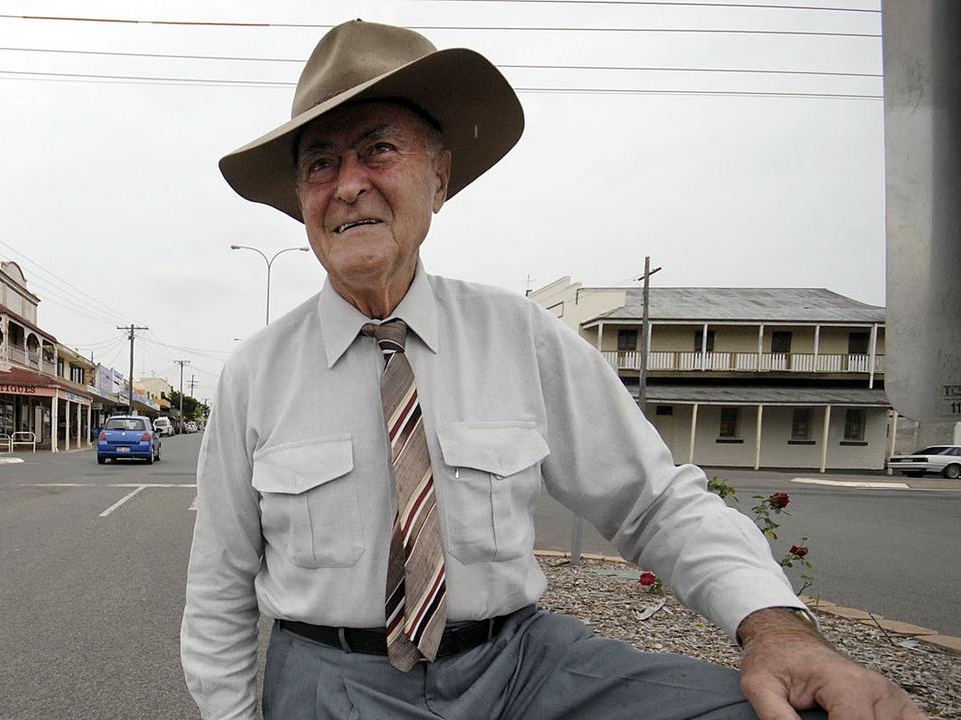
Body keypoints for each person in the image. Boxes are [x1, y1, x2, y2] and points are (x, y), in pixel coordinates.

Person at [182, 19, 922, 720]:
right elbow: (219, 589)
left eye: (378, 150)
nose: (347, 184)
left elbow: (654, 502)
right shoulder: (256, 374)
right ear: (304, 201)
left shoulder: (520, 336)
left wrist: (778, 630)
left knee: (795, 710)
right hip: (334, 680)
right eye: (321, 163)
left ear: (438, 177)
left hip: (521, 666)